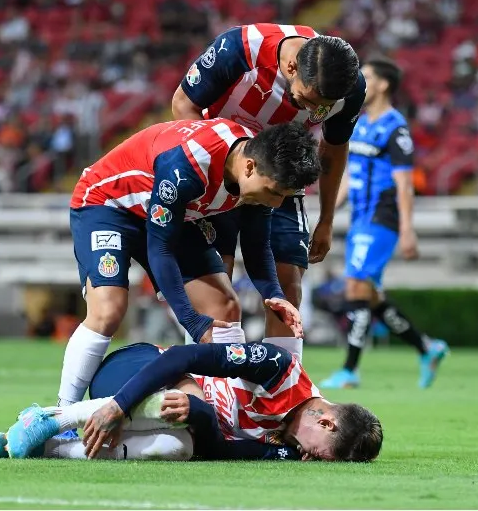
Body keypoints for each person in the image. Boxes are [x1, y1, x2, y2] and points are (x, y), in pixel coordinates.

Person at [58, 119, 317, 416]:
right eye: (275, 192)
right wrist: (192, 322)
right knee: (108, 310)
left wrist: (274, 294)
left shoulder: (261, 165)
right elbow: (160, 249)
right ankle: (60, 414)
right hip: (108, 205)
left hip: (170, 216)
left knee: (223, 306)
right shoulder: (187, 166)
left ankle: (224, 415)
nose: (277, 201)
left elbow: (257, 246)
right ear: (248, 168)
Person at [171, 24, 366, 359]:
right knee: (218, 285)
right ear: (290, 68)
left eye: (322, 108)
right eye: (307, 100)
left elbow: (333, 150)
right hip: (224, 177)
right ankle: (212, 386)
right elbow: (183, 105)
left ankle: (283, 390)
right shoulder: (241, 48)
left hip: (283, 181)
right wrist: (211, 179)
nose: (313, 112)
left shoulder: (348, 87)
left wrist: (327, 218)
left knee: (288, 282)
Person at [3, 341, 383, 463]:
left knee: (180, 446)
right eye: (323, 455)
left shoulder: (285, 445)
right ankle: (52, 417)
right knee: (183, 405)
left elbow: (213, 450)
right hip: (138, 368)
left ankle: (50, 448)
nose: (312, 460)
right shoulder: (277, 370)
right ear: (327, 424)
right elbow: (181, 358)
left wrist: (199, 412)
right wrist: (120, 405)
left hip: (172, 419)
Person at [321, 58, 447, 390]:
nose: (360, 82)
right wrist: (325, 213)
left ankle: (349, 370)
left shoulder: (396, 129)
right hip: (361, 218)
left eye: (367, 77)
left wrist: (408, 228)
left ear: (383, 85)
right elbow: (348, 176)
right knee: (370, 295)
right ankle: (427, 348)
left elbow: (405, 184)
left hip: (382, 219)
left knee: (355, 288)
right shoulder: (360, 124)